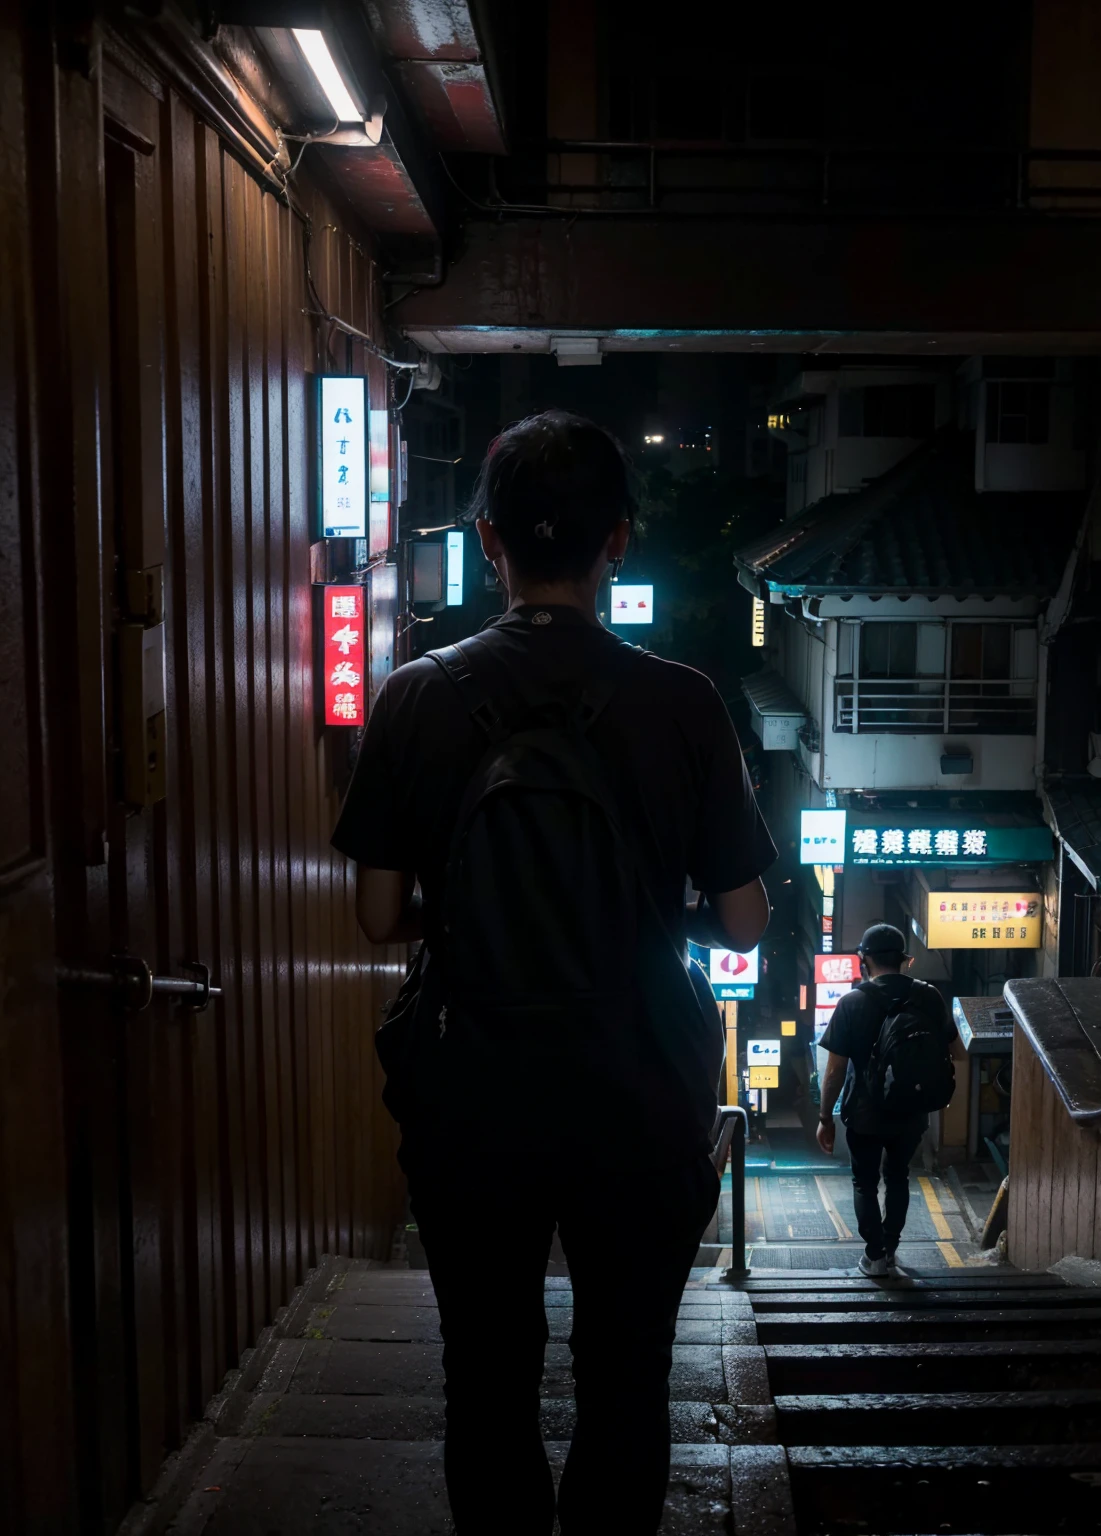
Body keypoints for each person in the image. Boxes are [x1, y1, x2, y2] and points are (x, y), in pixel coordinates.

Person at [332, 410, 775, 1536]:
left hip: (473, 1085)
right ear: (617, 541)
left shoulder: (419, 695)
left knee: (487, 1378)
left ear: (490, 544)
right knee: (626, 1380)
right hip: (636, 1087)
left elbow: (382, 915)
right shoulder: (682, 702)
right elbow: (743, 923)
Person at [815, 923, 958, 1277]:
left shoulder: (852, 1003)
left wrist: (825, 1117)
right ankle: (891, 1251)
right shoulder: (929, 996)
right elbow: (949, 1048)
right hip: (911, 1110)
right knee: (898, 1177)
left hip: (864, 1114)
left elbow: (834, 1071)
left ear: (864, 959)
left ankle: (875, 1256)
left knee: (865, 1182)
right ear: (906, 960)